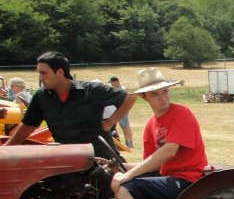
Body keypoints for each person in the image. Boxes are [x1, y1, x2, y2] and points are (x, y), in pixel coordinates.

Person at [109, 67, 208, 199]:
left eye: (165, 91)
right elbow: (151, 164)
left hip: (187, 179)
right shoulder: (150, 125)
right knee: (121, 182)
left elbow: (168, 151)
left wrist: (127, 177)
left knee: (128, 189)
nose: (162, 97)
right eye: (155, 94)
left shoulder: (181, 114)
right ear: (145, 97)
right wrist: (117, 165)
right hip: (169, 177)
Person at [3, 52, 135, 158]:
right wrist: (5, 151)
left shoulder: (91, 90)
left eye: (44, 73)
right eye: (39, 73)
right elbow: (27, 125)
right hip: (68, 161)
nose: (40, 78)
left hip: (102, 159)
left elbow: (129, 97)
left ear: (60, 72)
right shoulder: (41, 97)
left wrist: (110, 122)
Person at [108, 76, 134, 148]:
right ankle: (129, 142)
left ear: (116, 81)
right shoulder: (118, 89)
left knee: (125, 126)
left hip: (123, 110)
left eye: (112, 82)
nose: (112, 84)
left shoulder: (122, 89)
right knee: (124, 126)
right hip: (121, 110)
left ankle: (129, 143)